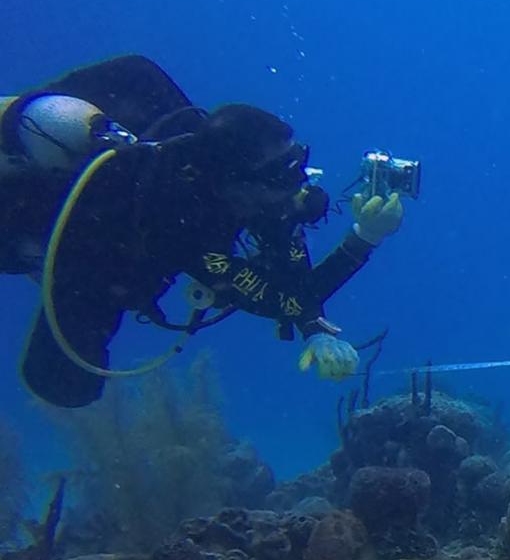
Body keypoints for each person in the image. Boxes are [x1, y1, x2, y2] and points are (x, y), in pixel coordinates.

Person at [0, 55, 408, 407]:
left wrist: (316, 321)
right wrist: (362, 240)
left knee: (70, 386)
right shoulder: (181, 223)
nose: (297, 184)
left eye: (297, 160)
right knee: (65, 384)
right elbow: (278, 301)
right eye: (280, 173)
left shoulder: (241, 194)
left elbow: (298, 292)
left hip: (89, 249)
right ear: (236, 184)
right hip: (62, 244)